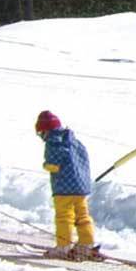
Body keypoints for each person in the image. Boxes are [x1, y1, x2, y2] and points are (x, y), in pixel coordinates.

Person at [36, 111, 102, 260]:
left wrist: (46, 165)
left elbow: (54, 165)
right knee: (82, 216)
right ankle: (86, 244)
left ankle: (63, 247)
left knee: (64, 217)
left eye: (40, 134)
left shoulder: (53, 142)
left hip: (64, 188)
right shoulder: (74, 141)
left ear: (45, 130)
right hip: (81, 187)